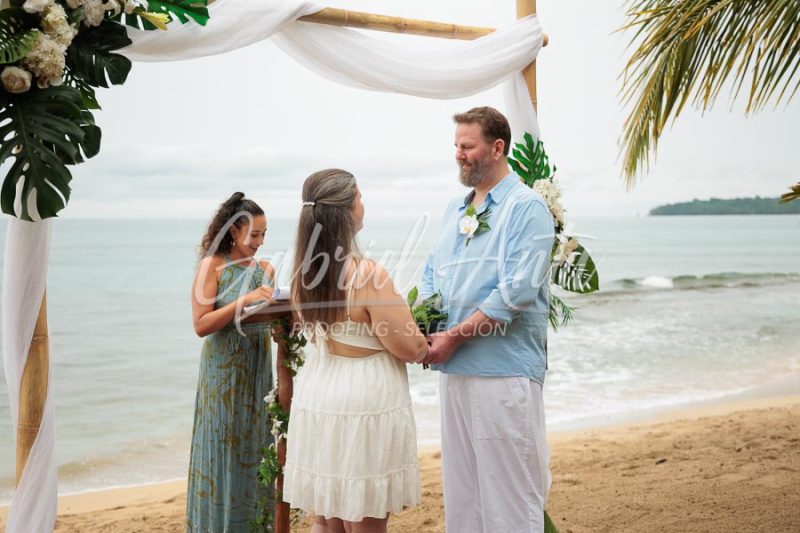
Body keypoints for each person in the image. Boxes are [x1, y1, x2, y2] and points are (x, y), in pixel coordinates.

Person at [420, 107, 555, 532]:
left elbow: (516, 292)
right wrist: (424, 328)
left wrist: (454, 337)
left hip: (502, 372)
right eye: (456, 145)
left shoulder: (527, 207)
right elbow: (430, 275)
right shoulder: (453, 210)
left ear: (497, 148)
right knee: (464, 498)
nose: (458, 154)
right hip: (453, 370)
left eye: (467, 146)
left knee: (509, 499)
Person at [283, 168, 428, 533]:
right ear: (348, 211)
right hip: (361, 400)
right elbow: (409, 346)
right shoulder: (368, 276)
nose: (364, 203)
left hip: (321, 393)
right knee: (364, 516)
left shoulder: (302, 275)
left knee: (328, 516)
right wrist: (428, 339)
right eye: (360, 197)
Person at [187, 192, 276, 532]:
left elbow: (272, 318)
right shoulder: (212, 266)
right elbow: (200, 325)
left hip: (257, 372)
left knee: (257, 450)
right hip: (222, 376)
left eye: (265, 235)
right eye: (255, 234)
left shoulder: (265, 269)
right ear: (235, 230)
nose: (260, 242)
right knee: (222, 454)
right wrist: (245, 301)